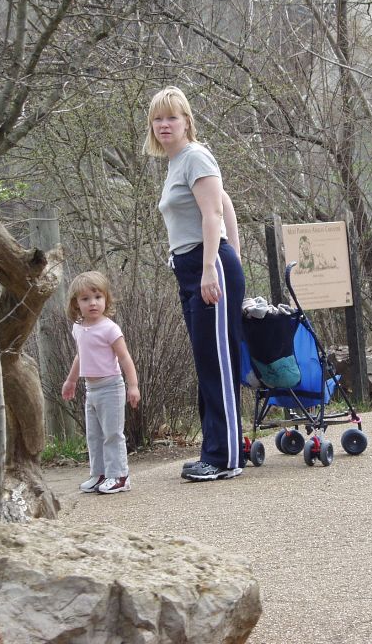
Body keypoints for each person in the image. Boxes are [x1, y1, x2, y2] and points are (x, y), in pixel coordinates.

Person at [144, 85, 246, 482]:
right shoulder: (176, 163)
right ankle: (213, 452)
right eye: (158, 118)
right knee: (207, 362)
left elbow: (213, 214)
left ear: (187, 121)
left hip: (207, 264)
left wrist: (215, 265)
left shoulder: (196, 155)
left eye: (172, 117)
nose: (164, 124)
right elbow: (226, 201)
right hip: (189, 267)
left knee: (219, 364)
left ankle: (227, 458)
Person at [61, 271, 140, 494]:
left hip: (111, 388)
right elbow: (80, 356)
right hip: (91, 389)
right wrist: (71, 380)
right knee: (94, 435)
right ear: (76, 304)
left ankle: (119, 476)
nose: (93, 303)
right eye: (85, 299)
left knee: (112, 434)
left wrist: (133, 386)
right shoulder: (78, 328)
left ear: (106, 299)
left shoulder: (109, 328)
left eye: (98, 297)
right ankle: (100, 474)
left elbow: (124, 357)